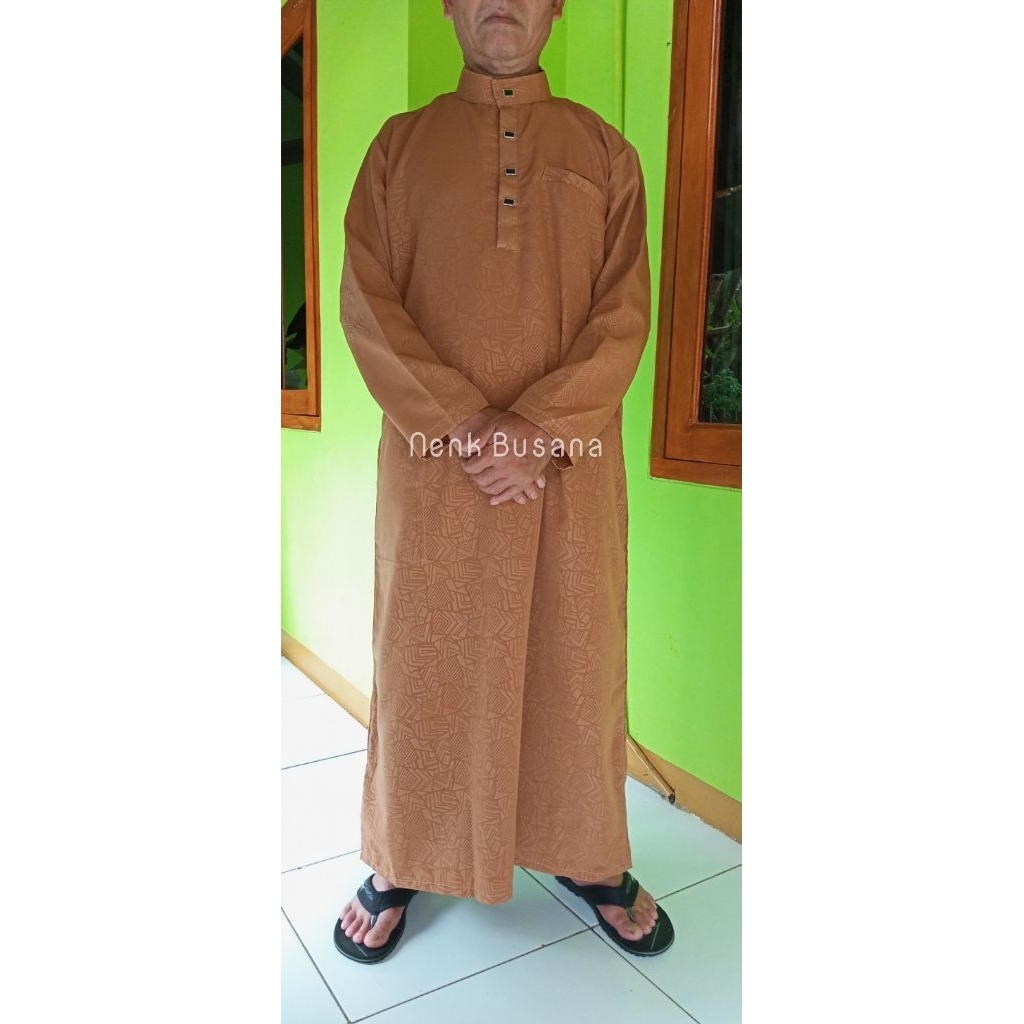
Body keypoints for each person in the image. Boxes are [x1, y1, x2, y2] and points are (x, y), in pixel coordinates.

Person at [335, 0, 674, 963]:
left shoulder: (606, 154)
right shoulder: (396, 150)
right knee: (424, 660)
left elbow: (624, 316)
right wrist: (467, 423)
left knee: (573, 659)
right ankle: (405, 853)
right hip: (434, 470)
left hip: (567, 474)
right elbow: (367, 306)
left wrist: (538, 430)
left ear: (556, 8)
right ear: (447, 4)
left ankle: (586, 852)